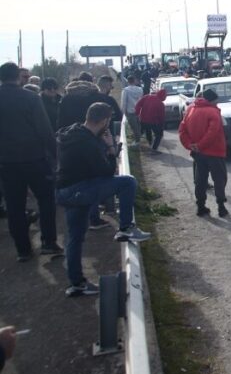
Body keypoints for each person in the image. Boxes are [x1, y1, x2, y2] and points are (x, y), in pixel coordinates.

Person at [55, 102, 151, 297]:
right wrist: (110, 150)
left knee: (75, 238)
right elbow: (106, 172)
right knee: (128, 182)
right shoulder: (88, 142)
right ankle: (125, 229)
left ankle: (77, 284)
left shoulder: (72, 132)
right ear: (105, 121)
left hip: (64, 191)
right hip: (79, 190)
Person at [0, 62, 60, 262]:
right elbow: (44, 130)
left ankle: (23, 250)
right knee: (46, 200)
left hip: (7, 163)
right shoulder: (30, 98)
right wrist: (56, 155)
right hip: (34, 158)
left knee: (14, 206)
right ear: (18, 77)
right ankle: (48, 243)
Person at [178, 89, 228, 217]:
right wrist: (200, 145)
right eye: (216, 101)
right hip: (215, 152)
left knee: (200, 180)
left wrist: (190, 145)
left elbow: (182, 130)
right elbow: (212, 133)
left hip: (198, 154)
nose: (217, 103)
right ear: (212, 100)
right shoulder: (213, 111)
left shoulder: (190, 109)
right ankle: (221, 207)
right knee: (219, 179)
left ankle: (200, 206)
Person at [135, 88, 167, 152]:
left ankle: (148, 144)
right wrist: (162, 127)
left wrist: (137, 113)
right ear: (163, 96)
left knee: (146, 131)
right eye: (165, 96)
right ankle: (154, 149)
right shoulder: (160, 104)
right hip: (153, 122)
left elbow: (138, 104)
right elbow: (161, 117)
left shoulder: (147, 97)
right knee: (159, 135)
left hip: (143, 120)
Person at [120, 75, 144, 142]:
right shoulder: (140, 89)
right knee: (139, 127)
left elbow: (124, 102)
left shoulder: (126, 90)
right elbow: (142, 100)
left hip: (130, 112)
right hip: (139, 111)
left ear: (128, 81)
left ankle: (137, 141)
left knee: (134, 128)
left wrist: (123, 112)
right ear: (134, 81)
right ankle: (138, 140)